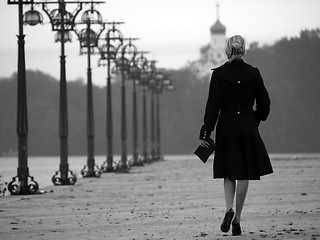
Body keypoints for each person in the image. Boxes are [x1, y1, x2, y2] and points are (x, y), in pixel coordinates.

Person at [199, 35, 273, 236]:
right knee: (245, 173)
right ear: (244, 50)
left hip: (227, 127)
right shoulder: (254, 73)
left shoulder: (219, 74)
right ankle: (238, 219)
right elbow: (265, 103)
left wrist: (206, 131)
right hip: (247, 126)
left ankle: (228, 209)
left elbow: (212, 106)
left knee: (229, 172)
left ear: (228, 50)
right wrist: (255, 118)